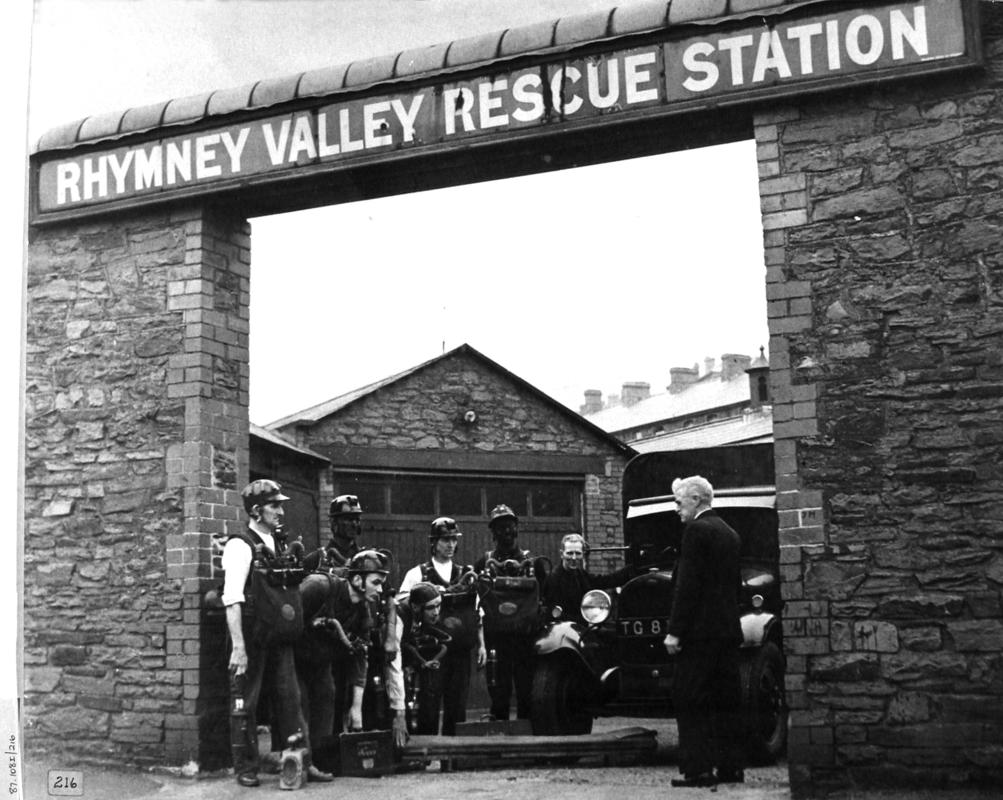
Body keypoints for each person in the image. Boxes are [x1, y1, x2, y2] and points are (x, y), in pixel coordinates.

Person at [222, 479, 328, 787]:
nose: (280, 512)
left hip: (278, 633)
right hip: (251, 634)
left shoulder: (278, 543)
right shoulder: (240, 545)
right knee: (246, 702)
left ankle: (302, 762)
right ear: (256, 511)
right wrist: (238, 648)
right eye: (274, 506)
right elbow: (232, 599)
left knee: (291, 699)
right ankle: (246, 767)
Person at [662, 475, 744, 787]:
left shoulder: (696, 531)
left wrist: (675, 631)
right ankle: (731, 767)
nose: (676, 509)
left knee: (690, 698)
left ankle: (697, 770)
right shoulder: (729, 532)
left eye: (679, 502)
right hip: (726, 631)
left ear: (696, 500)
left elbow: (688, 586)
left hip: (698, 635)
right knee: (726, 700)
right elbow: (734, 586)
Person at [295, 549, 403, 774]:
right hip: (294, 657)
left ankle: (317, 762)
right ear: (357, 580)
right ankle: (296, 761)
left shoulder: (363, 611)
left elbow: (360, 655)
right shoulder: (319, 586)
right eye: (376, 583)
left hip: (319, 661)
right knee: (298, 703)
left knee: (326, 696)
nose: (380, 590)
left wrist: (356, 709)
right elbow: (288, 617)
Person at [397, 517, 486, 735]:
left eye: (454, 539)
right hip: (432, 652)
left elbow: (478, 613)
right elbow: (403, 606)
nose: (450, 544)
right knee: (428, 704)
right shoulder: (418, 574)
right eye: (445, 540)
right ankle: (426, 749)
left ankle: (453, 751)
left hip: (461, 651)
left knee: (457, 706)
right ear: (434, 542)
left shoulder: (466, 573)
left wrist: (482, 645)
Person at [473, 504, 538, 722]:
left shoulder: (531, 563)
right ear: (493, 532)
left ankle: (527, 731)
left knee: (525, 686)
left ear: (517, 528)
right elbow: (473, 595)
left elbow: (543, 595)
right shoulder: (484, 562)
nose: (506, 531)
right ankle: (499, 728)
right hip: (496, 637)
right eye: (500, 527)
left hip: (524, 637)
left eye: (509, 525)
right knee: (498, 688)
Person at [388, 582, 452, 735]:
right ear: (416, 607)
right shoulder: (400, 617)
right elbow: (393, 662)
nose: (436, 612)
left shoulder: (419, 614)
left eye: (438, 606)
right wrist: (399, 710)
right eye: (431, 608)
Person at [542, 533, 634, 624]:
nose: (574, 558)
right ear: (562, 554)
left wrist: (633, 569)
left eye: (578, 553)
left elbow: (605, 581)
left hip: (581, 627)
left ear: (583, 555)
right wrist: (586, 621)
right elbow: (555, 615)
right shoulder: (553, 579)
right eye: (570, 553)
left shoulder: (581, 575)